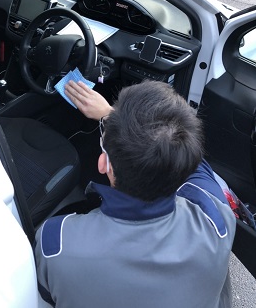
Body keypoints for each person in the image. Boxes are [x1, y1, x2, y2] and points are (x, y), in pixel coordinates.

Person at [34, 79, 236, 308]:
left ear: (104, 164)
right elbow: (190, 160)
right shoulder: (217, 220)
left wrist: (110, 116)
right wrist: (112, 116)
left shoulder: (56, 242)